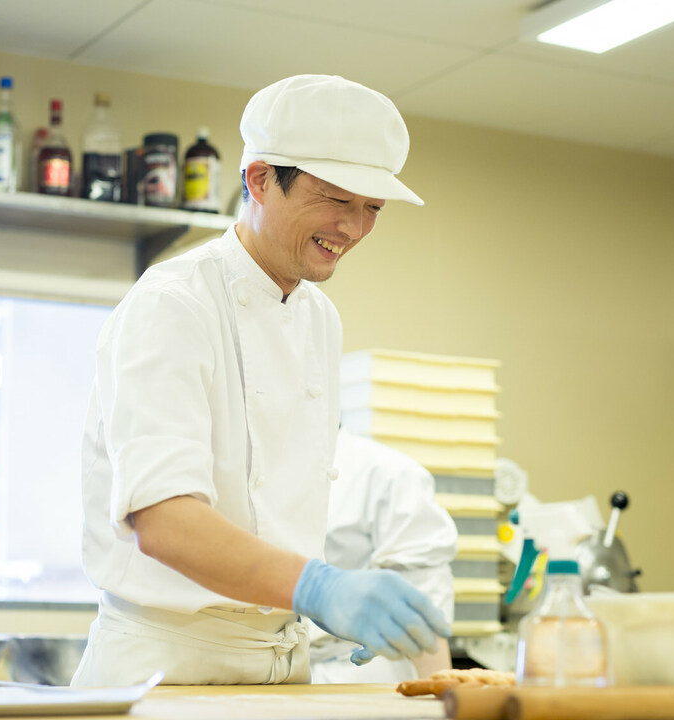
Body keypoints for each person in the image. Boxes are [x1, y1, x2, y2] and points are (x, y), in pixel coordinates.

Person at [72, 74, 448, 687]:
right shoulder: (173, 304)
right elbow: (164, 519)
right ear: (259, 179)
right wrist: (319, 588)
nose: (353, 229)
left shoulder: (320, 318)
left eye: (373, 209)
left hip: (282, 663)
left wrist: (326, 612)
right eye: (336, 200)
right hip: (165, 670)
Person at [309, 427, 459, 683]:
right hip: (262, 675)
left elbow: (422, 610)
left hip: (355, 676)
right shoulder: (251, 464)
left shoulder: (390, 473)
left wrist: (441, 701)